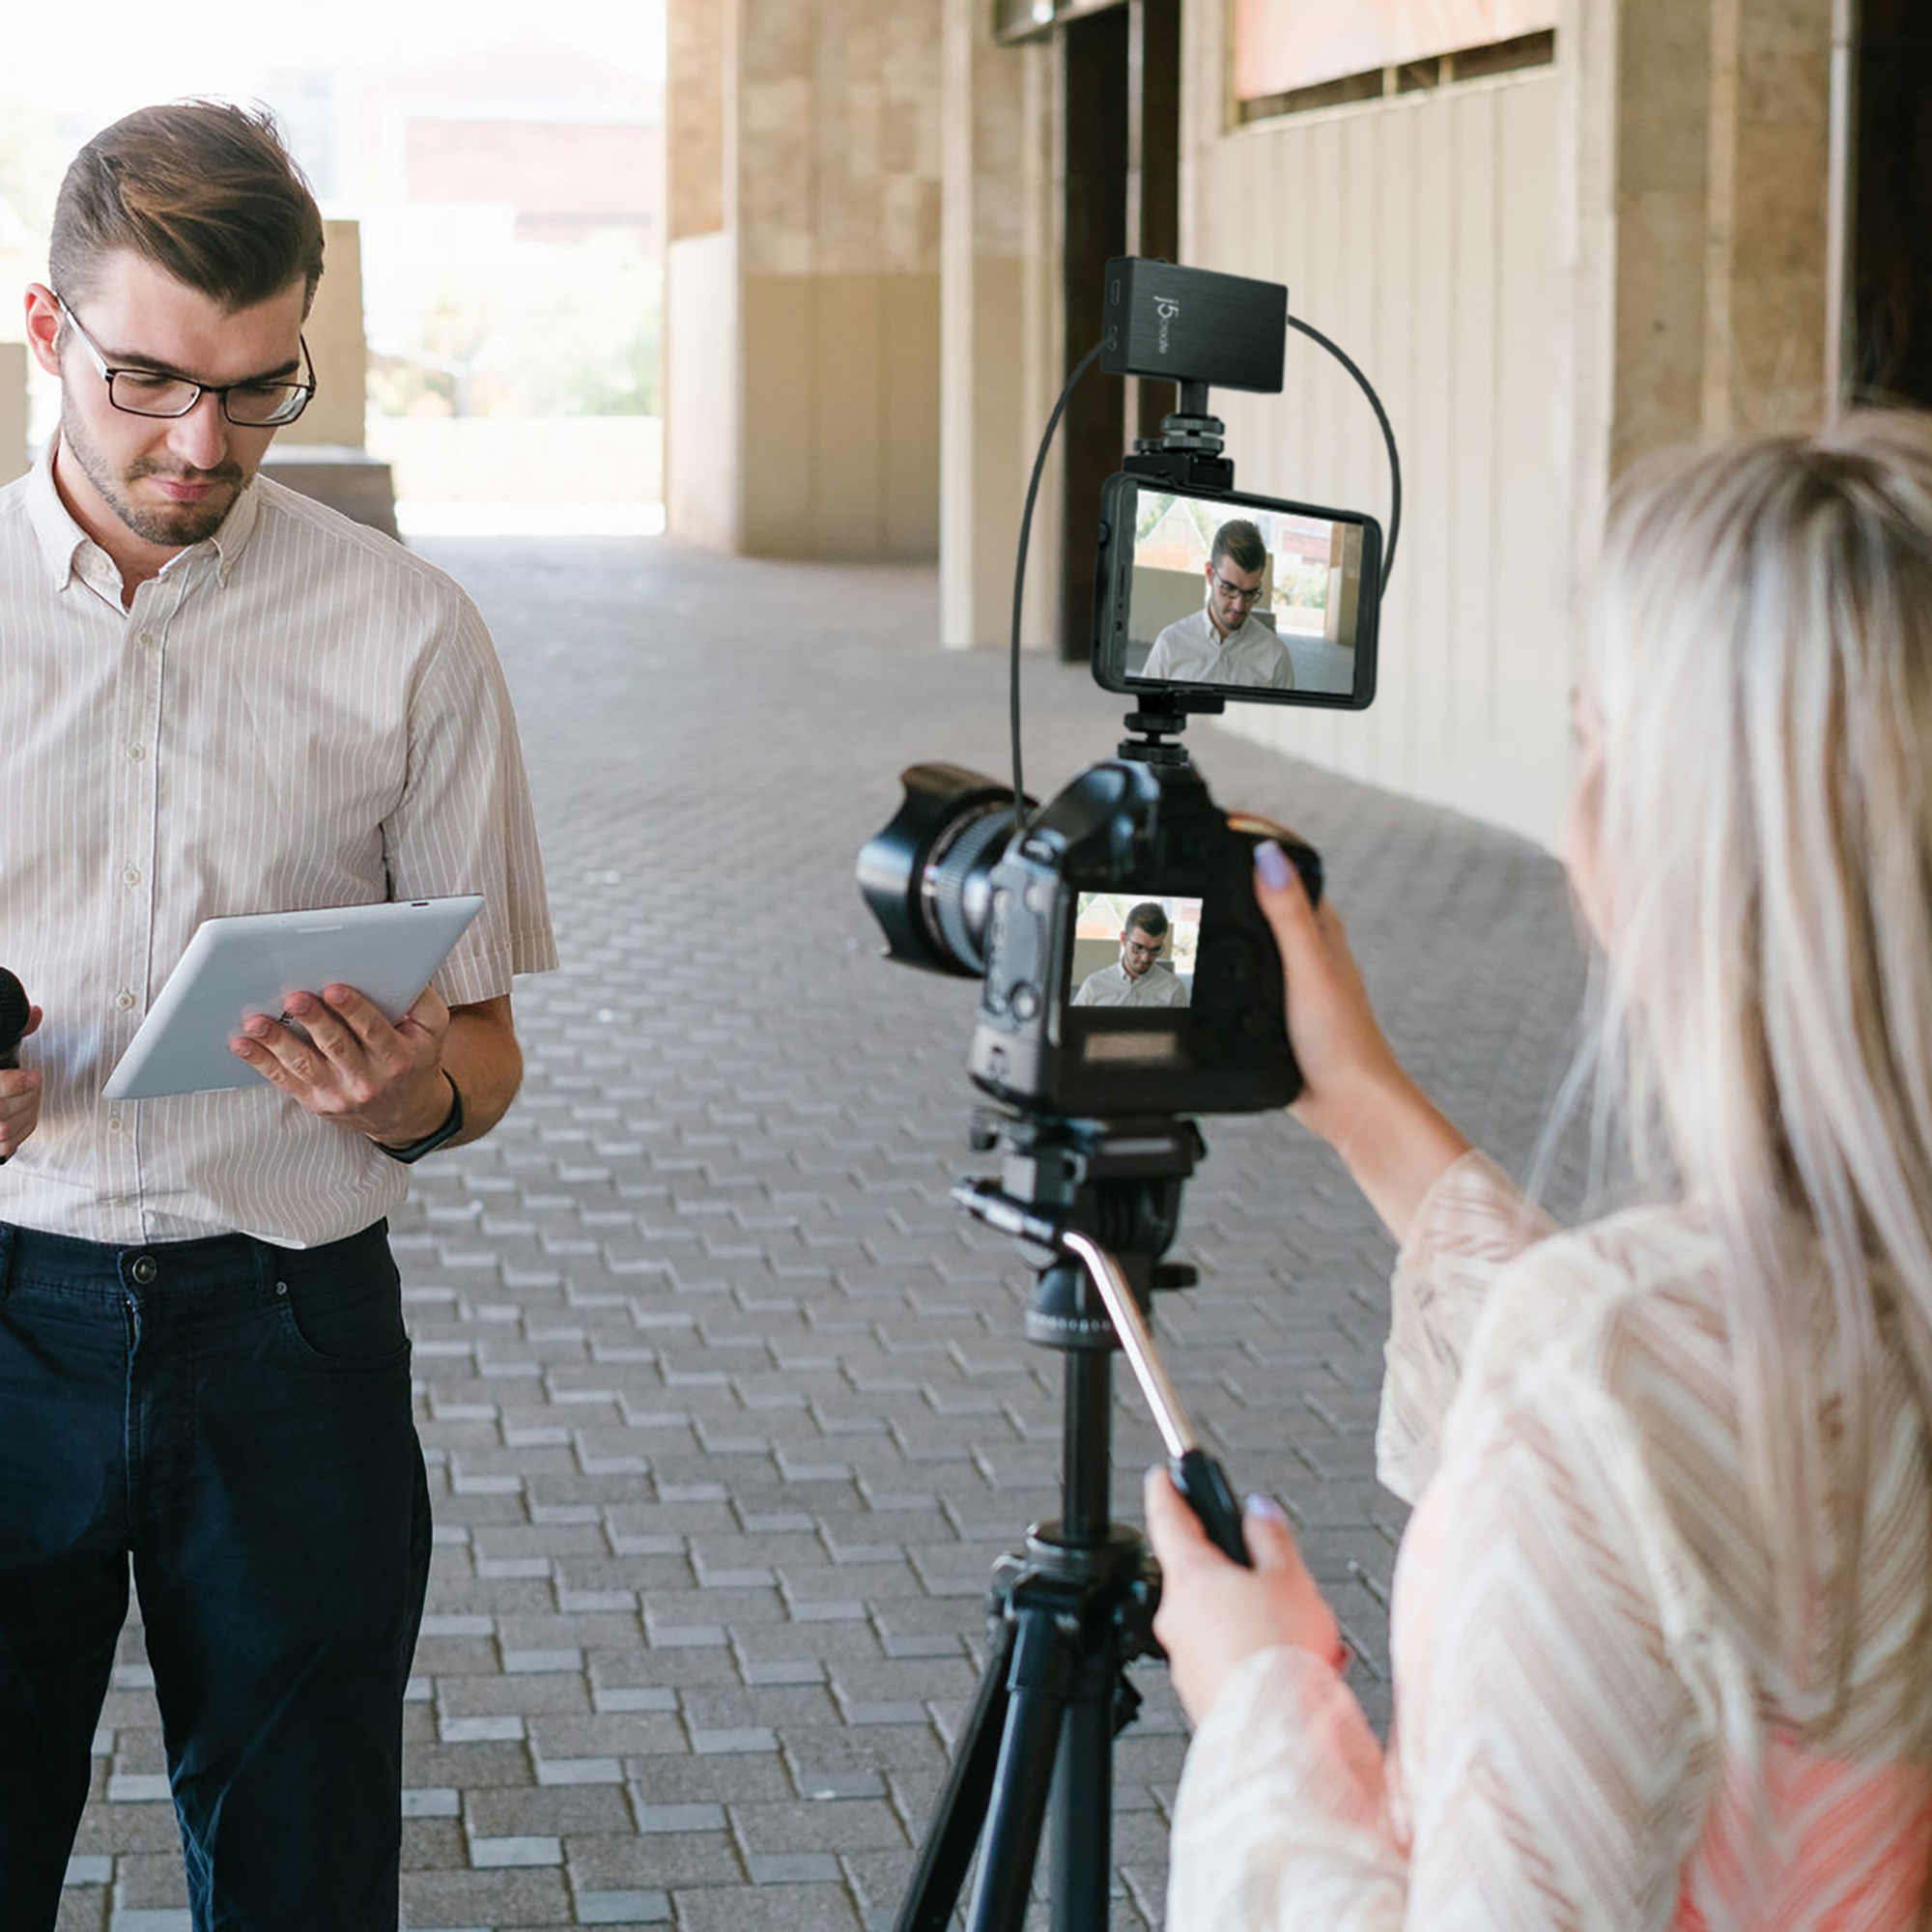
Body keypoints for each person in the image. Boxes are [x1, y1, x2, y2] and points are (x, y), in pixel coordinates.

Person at [1146, 414, 1932, 1925]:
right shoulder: (1673, 1352)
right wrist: (1367, 1107)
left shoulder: (1605, 1368)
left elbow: (1636, 1397)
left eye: (1597, 738)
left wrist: (1257, 1702)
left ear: (1659, 839)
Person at [0, 102, 556, 1929]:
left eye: (257, 392)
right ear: (44, 329)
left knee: (306, 1872)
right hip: (8, 1314)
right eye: (151, 383)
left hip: (293, 1333)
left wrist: (406, 1102)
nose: (200, 443)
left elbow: (482, 1059)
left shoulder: (410, 634)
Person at [1142, 518, 1297, 691]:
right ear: (1209, 574)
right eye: (1229, 588)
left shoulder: (1276, 658)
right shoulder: (1170, 645)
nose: (1239, 605)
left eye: (1250, 592)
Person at [1073, 902, 1190, 1008]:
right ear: (1124, 939)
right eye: (1138, 947)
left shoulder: (1174, 990)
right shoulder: (1093, 987)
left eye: (1155, 950)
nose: (1145, 958)